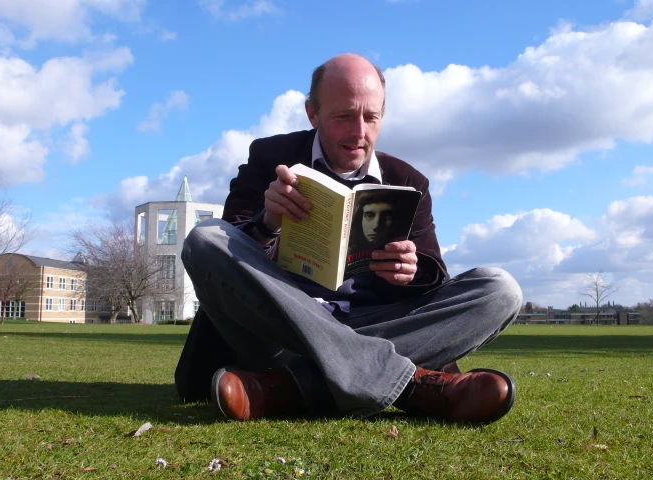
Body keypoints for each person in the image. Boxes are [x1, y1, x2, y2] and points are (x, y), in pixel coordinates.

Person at [175, 53, 523, 423]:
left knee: (501, 290)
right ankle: (409, 385)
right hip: (276, 329)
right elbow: (230, 243)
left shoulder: (409, 181)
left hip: (372, 322)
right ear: (313, 114)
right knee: (205, 239)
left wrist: (411, 270)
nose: (359, 133)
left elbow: (434, 272)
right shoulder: (269, 156)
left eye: (371, 117)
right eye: (343, 116)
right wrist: (268, 222)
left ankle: (290, 388)